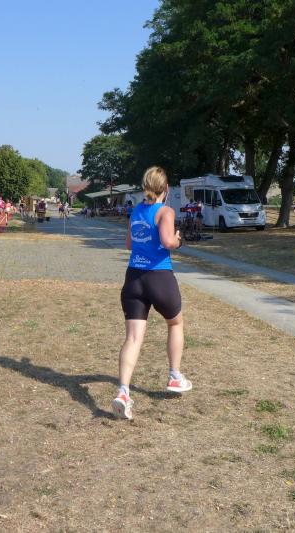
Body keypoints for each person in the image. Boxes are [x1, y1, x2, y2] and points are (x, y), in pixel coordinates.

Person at [112, 166, 191, 421]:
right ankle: (174, 376)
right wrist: (178, 240)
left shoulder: (136, 210)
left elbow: (129, 244)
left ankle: (123, 392)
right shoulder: (165, 211)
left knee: (133, 338)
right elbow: (168, 242)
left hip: (134, 278)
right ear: (166, 188)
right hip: (159, 277)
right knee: (175, 323)